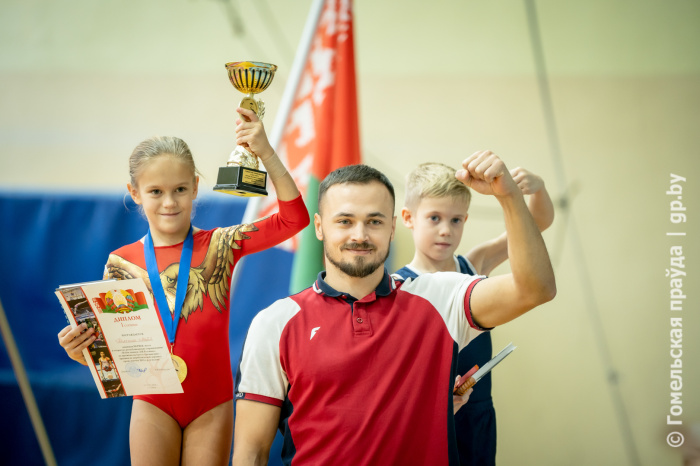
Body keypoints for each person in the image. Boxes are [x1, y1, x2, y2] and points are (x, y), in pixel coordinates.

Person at [232, 151, 556, 465]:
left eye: (374, 221)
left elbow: (535, 288)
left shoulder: (440, 297)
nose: (359, 235)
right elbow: (251, 453)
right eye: (344, 221)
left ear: (391, 227)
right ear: (319, 227)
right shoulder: (274, 323)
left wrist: (508, 196)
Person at [57, 107, 310, 466]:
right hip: (153, 402)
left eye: (179, 189)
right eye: (156, 191)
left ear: (195, 185)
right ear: (135, 192)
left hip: (211, 403)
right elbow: (114, 355)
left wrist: (265, 152)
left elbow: (294, 217)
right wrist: (81, 352)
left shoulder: (222, 245)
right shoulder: (121, 263)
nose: (170, 202)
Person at [394, 161, 554, 465]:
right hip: (431, 420)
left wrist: (538, 188)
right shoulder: (398, 288)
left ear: (466, 219)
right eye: (434, 218)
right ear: (408, 218)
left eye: (456, 220)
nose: (446, 230)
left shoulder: (473, 264)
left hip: (478, 414)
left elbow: (539, 222)